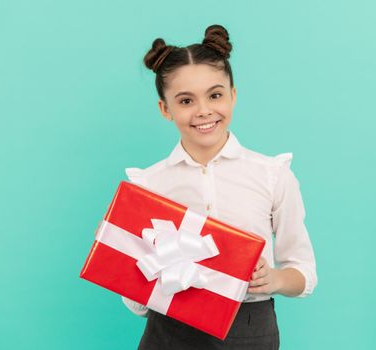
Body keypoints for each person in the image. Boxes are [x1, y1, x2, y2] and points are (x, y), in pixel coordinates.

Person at [122, 24, 317, 350]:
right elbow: (138, 305)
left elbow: (303, 272)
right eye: (185, 100)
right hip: (169, 331)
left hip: (250, 327)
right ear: (165, 109)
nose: (203, 111)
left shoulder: (272, 175)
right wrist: (121, 251)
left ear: (233, 95)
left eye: (215, 95)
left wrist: (276, 279)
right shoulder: (148, 186)